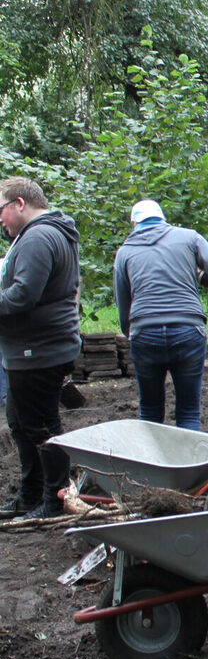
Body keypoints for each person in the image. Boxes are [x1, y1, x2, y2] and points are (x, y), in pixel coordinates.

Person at [0, 177, 81, 520]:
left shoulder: (38, 237)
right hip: (34, 348)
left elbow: (23, 295)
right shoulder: (46, 234)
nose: (0, 220)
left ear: (19, 203)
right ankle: (31, 494)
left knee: (42, 428)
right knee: (21, 423)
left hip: (39, 349)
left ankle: (52, 500)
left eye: (0, 210)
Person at [113, 199, 208, 431]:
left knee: (149, 410)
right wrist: (200, 277)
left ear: (135, 222)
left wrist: (131, 334)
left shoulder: (124, 252)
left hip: (145, 333)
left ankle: (153, 466)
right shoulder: (190, 238)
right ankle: (187, 466)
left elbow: (123, 304)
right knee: (188, 411)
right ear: (162, 218)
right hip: (187, 329)